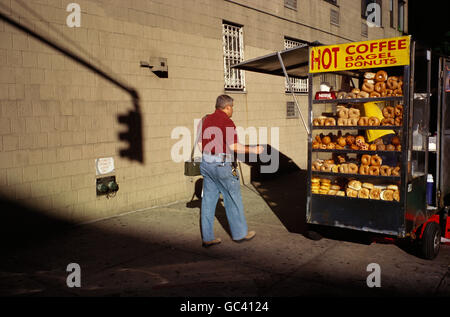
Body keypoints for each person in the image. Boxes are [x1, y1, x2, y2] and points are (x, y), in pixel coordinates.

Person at [199, 94, 263, 247]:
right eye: (232, 107)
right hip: (222, 165)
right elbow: (234, 147)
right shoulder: (227, 122)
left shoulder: (206, 119)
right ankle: (240, 233)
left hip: (207, 163)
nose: (233, 110)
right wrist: (254, 150)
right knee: (233, 199)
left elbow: (201, 145)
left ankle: (207, 237)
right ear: (227, 107)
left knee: (208, 201)